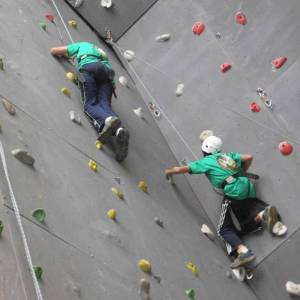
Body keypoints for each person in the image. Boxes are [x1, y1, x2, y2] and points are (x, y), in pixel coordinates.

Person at [164, 135, 287, 269]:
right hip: (247, 186)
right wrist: (243, 172)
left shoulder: (206, 161)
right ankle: (263, 214)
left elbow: (181, 169)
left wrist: (169, 172)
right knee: (242, 226)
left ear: (205, 150)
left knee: (223, 230)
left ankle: (244, 252)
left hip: (234, 192)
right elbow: (249, 157)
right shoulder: (227, 155)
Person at [50, 41, 129, 162]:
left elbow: (54, 50)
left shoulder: (83, 45)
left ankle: (106, 121)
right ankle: (119, 130)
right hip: (107, 77)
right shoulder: (101, 54)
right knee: (105, 104)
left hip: (89, 67)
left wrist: (69, 55)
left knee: (89, 104)